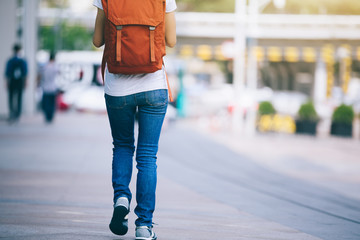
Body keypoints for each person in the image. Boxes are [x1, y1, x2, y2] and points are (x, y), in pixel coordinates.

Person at [92, 0, 177, 239]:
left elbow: (98, 40)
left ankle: (121, 197)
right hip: (153, 85)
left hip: (117, 88)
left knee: (122, 146)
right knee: (147, 156)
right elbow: (171, 40)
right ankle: (144, 226)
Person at [5, 44, 28, 123]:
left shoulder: (12, 60)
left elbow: (7, 73)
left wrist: (7, 82)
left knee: (13, 98)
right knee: (17, 98)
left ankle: (14, 113)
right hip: (18, 80)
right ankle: (15, 114)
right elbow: (25, 73)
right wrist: (25, 82)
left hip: (14, 80)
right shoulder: (21, 60)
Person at [38, 51, 59, 123]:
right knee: (52, 104)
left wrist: (37, 83)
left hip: (45, 87)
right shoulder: (55, 66)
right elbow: (59, 72)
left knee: (46, 104)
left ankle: (47, 117)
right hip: (53, 87)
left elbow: (40, 75)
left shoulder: (45, 66)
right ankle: (51, 117)